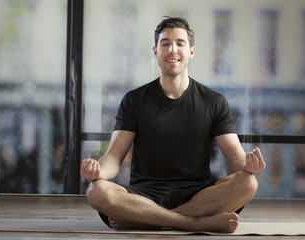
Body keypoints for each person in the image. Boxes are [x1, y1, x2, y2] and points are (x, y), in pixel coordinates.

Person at [81, 16, 266, 233]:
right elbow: (113, 157)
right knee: (96, 190)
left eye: (180, 43)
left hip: (198, 195)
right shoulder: (135, 99)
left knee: (248, 183)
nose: (172, 50)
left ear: (191, 52)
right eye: (165, 43)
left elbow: (235, 157)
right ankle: (194, 223)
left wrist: (249, 165)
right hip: (143, 195)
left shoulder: (214, 101)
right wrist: (98, 171)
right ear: (155, 51)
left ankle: (145, 220)